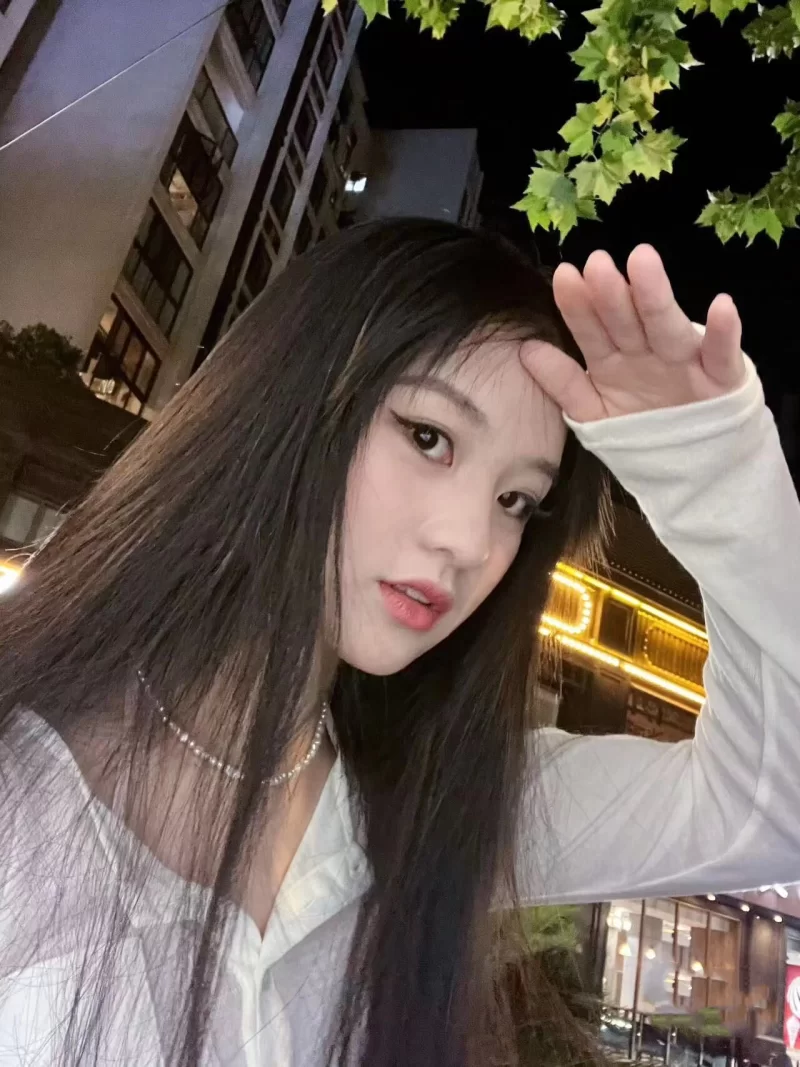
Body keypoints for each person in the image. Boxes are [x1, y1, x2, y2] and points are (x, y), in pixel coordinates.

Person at [0, 218, 796, 1067]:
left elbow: (771, 804)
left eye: (517, 501)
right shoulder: (26, 781)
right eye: (428, 437)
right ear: (290, 396)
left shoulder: (444, 802)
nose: (470, 541)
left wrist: (714, 475)